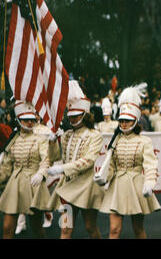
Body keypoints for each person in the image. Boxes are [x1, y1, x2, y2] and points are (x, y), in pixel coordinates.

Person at [96, 85, 161, 238]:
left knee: (138, 229)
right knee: (114, 230)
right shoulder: (115, 140)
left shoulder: (144, 141)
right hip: (117, 186)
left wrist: (150, 183)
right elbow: (111, 165)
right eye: (121, 120)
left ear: (135, 121)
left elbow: (150, 165)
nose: (124, 124)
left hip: (136, 185)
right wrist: (103, 176)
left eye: (127, 120)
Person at [47, 80, 104, 238]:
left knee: (90, 227)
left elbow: (88, 161)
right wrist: (52, 142)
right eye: (70, 116)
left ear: (84, 115)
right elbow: (55, 157)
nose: (71, 120)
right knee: (65, 229)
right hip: (67, 188)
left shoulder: (95, 135)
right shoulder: (66, 135)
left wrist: (62, 169)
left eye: (75, 116)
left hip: (86, 187)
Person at [0, 101, 51, 238]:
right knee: (7, 228)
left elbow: (45, 159)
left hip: (33, 184)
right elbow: (7, 166)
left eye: (32, 120)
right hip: (14, 184)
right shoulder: (13, 140)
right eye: (25, 120)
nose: (30, 123)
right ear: (18, 121)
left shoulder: (40, 139)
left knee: (37, 228)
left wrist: (41, 174)